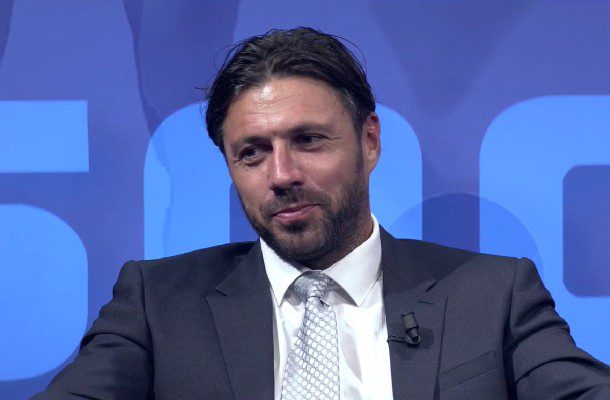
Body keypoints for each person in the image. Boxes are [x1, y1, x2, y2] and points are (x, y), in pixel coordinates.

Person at [33, 27, 610, 400]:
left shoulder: (494, 295)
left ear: (370, 141)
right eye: (252, 153)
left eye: (308, 140)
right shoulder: (156, 304)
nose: (281, 174)